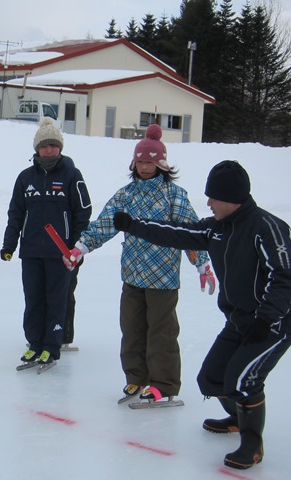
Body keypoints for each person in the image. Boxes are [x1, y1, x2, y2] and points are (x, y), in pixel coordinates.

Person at [113, 160, 291, 470]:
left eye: (213, 197)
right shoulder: (216, 227)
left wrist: (266, 319)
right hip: (239, 320)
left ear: (232, 197)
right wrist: (134, 225)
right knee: (211, 378)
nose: (208, 203)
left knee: (243, 380)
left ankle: (252, 443)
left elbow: (284, 277)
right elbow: (178, 232)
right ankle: (238, 418)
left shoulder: (267, 228)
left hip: (273, 323)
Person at [65, 124, 213, 404]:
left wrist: (202, 265)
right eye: (140, 162)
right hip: (132, 275)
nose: (144, 167)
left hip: (163, 279)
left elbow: (191, 233)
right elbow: (105, 224)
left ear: (161, 164)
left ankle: (163, 384)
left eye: (150, 162)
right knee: (131, 330)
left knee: (161, 333)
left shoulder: (174, 195)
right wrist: (80, 247)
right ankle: (136, 378)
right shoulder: (126, 194)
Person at [1, 118, 92, 367]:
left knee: (56, 300)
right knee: (33, 299)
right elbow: (16, 214)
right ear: (37, 149)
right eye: (44, 146)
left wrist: (77, 246)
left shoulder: (72, 175)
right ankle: (34, 343)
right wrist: (9, 245)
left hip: (61, 253)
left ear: (60, 147)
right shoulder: (25, 178)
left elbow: (82, 212)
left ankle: (51, 346)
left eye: (53, 145)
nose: (49, 150)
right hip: (31, 251)